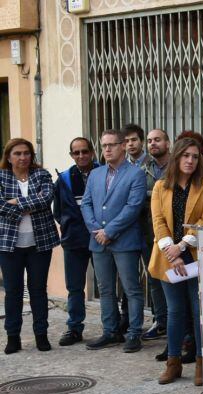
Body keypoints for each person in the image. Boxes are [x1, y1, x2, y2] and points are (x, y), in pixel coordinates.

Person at [148, 137, 203, 385]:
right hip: (168, 257)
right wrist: (171, 251)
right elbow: (158, 222)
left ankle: (202, 363)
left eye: (195, 156)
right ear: (176, 156)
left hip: (196, 255)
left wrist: (182, 246)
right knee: (175, 312)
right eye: (185, 155)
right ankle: (173, 362)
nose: (190, 160)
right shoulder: (160, 186)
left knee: (199, 312)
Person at [81, 129, 147, 353]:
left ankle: (134, 333)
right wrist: (95, 229)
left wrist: (109, 231)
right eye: (104, 145)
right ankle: (110, 331)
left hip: (124, 241)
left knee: (131, 289)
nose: (107, 149)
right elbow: (86, 203)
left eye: (112, 145)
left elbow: (133, 207)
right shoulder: (95, 174)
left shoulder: (135, 174)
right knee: (105, 289)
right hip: (98, 241)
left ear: (122, 146)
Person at [0, 138, 58, 354]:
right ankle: (12, 336)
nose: (23, 157)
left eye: (26, 153)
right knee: (13, 292)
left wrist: (14, 202)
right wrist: (26, 205)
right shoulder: (1, 176)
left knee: (38, 291)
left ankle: (41, 334)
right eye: (17, 153)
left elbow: (46, 200)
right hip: (9, 245)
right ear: (8, 157)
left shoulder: (41, 175)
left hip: (39, 243)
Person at [53, 137, 100, 346]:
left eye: (84, 151)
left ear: (92, 152)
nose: (81, 156)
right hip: (74, 240)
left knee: (109, 286)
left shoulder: (104, 173)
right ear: (72, 155)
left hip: (102, 238)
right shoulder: (64, 178)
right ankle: (74, 328)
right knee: (74, 287)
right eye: (76, 152)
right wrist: (68, 224)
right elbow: (58, 210)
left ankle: (116, 325)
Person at [140, 128, 172, 343]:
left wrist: (152, 196)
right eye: (150, 141)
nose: (153, 144)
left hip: (173, 234)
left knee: (174, 279)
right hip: (149, 230)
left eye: (157, 140)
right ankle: (160, 321)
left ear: (167, 143)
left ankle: (176, 322)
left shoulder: (177, 166)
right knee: (154, 278)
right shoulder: (142, 168)